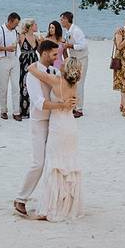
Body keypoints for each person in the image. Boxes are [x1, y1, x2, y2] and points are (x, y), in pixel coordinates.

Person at [14, 39, 73, 218]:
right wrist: (62, 105)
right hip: (39, 122)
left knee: (53, 163)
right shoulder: (32, 74)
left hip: (56, 123)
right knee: (38, 163)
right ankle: (20, 199)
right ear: (45, 53)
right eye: (55, 54)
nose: (58, 57)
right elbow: (39, 103)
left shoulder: (54, 71)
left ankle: (52, 200)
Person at [27, 56, 84, 221]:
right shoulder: (74, 86)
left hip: (58, 126)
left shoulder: (56, 81)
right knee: (69, 164)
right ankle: (68, 205)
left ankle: (53, 206)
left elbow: (32, 70)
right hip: (71, 127)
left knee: (55, 165)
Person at [0, 12, 21, 120]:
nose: (16, 26)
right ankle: (3, 110)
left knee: (16, 86)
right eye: (15, 23)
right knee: (3, 87)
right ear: (10, 21)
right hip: (3, 60)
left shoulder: (16, 31)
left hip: (14, 60)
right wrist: (6, 49)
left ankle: (16, 111)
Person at [60, 11, 88, 117]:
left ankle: (79, 109)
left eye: (62, 19)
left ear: (67, 19)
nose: (61, 21)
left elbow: (84, 45)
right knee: (73, 82)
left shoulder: (76, 31)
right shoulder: (67, 31)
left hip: (81, 59)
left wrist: (70, 46)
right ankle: (74, 106)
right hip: (74, 59)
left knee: (79, 83)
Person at [17, 19, 41, 121]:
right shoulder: (22, 36)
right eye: (35, 24)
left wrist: (40, 42)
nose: (37, 26)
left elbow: (39, 51)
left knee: (35, 84)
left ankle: (34, 110)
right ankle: (24, 111)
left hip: (34, 61)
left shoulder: (36, 37)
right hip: (24, 62)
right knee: (24, 85)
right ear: (30, 26)